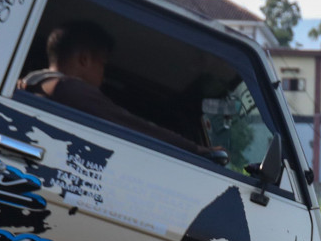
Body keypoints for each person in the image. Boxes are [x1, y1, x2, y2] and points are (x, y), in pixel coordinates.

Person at [20, 21, 215, 157]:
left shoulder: (32, 83)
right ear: (84, 59)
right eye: (103, 64)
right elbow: (131, 126)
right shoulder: (69, 89)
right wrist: (195, 150)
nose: (103, 74)